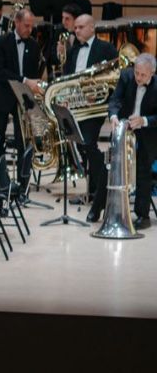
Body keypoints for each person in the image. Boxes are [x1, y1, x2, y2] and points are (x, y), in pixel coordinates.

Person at [65, 13, 117, 222]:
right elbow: (68, 75)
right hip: (75, 107)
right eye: (75, 28)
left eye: (80, 27)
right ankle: (97, 191)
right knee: (82, 147)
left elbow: (114, 79)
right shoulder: (74, 49)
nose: (76, 30)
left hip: (94, 109)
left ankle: (99, 201)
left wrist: (94, 95)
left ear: (92, 28)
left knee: (88, 146)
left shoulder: (106, 49)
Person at [106, 52, 157, 229]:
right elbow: (115, 100)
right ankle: (102, 209)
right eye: (137, 72)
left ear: (152, 73)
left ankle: (142, 216)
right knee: (114, 164)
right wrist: (113, 115)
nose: (138, 77)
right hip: (124, 126)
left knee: (143, 168)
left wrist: (143, 121)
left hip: (149, 132)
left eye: (143, 75)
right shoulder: (126, 76)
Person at [0, 8, 42, 163]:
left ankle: (22, 181)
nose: (29, 29)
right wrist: (24, 80)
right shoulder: (0, 42)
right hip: (2, 95)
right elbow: (0, 71)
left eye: (31, 26)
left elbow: (33, 74)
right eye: (26, 25)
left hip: (23, 98)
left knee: (24, 140)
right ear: (17, 23)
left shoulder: (34, 46)